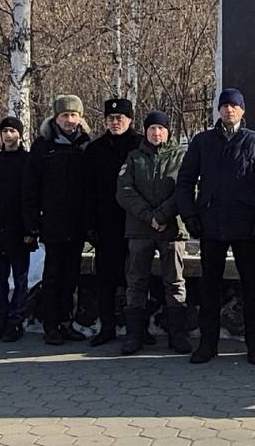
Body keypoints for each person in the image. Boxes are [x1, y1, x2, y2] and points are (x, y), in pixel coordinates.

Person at [175, 88, 255, 365]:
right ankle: (208, 345)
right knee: (209, 287)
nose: (229, 110)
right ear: (218, 110)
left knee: (251, 288)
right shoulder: (202, 142)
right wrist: (190, 216)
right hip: (211, 225)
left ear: (242, 110)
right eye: (224, 106)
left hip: (246, 227)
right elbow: (185, 181)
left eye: (234, 106)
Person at [115, 110, 190, 355]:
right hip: (139, 230)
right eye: (151, 129)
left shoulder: (180, 156)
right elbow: (124, 191)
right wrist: (149, 216)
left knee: (175, 282)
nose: (156, 133)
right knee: (136, 282)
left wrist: (162, 215)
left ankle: (177, 335)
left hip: (172, 230)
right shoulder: (134, 157)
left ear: (168, 131)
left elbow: (186, 189)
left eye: (161, 128)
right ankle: (134, 335)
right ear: (145, 131)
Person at [23, 93, 91, 345]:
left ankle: (66, 321)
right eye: (65, 115)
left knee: (71, 276)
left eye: (73, 115)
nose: (69, 120)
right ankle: (50, 324)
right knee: (53, 274)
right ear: (56, 117)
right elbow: (30, 187)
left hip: (77, 222)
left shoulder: (85, 145)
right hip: (51, 221)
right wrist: (33, 221)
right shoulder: (43, 146)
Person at [84, 97, 142, 347]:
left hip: (135, 223)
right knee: (106, 279)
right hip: (105, 223)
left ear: (130, 120)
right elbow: (86, 190)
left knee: (136, 277)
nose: (115, 122)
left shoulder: (140, 145)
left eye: (120, 118)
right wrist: (90, 224)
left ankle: (137, 327)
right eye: (111, 119)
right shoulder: (95, 149)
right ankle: (107, 326)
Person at [0, 116, 35, 342]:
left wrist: (31, 229)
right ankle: (0, 320)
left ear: (20, 134)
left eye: (13, 131)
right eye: (5, 131)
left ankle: (16, 320)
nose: (9, 135)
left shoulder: (28, 161)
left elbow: (31, 197)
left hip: (20, 230)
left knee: (20, 279)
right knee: (0, 279)